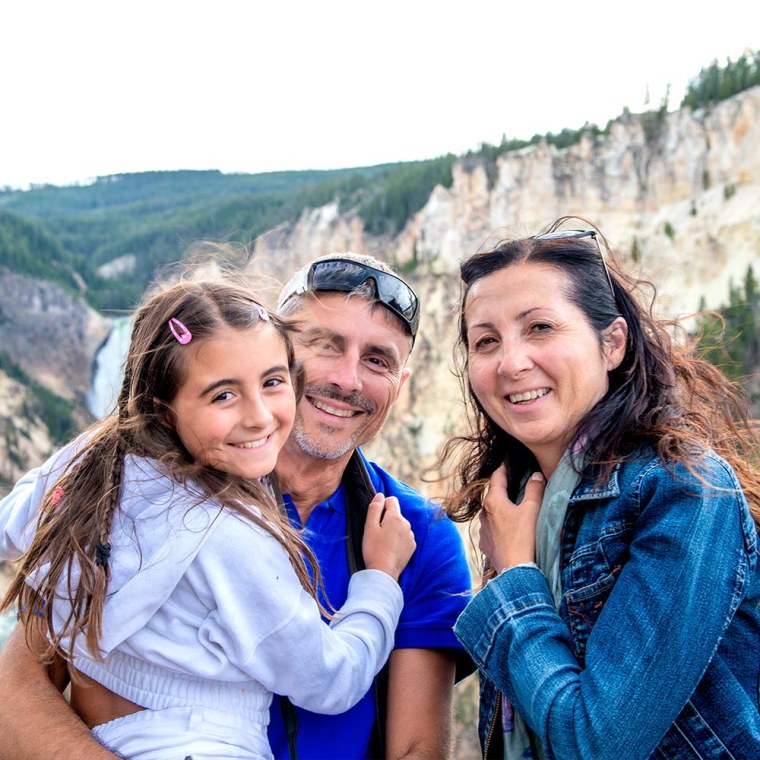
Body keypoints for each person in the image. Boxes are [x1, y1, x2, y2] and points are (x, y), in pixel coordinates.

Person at [0, 252, 474, 760]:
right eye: (324, 345)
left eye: (377, 360)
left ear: (400, 386)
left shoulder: (418, 536)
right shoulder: (133, 497)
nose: (348, 378)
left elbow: (417, 751)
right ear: (276, 349)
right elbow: (20, 683)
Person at [442, 217, 760, 759]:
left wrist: (516, 578)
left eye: (539, 327)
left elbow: (599, 743)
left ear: (612, 343)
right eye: (486, 341)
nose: (511, 362)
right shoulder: (525, 505)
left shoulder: (683, 491)